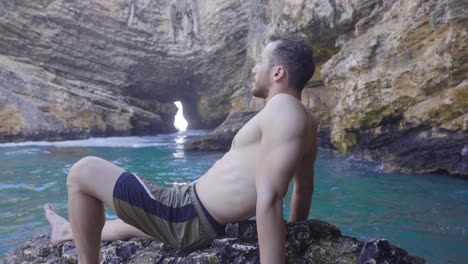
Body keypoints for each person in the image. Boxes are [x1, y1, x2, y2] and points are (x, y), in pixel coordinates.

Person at [44, 33, 317, 264]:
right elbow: (303, 189)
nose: (254, 69)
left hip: (186, 215)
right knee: (128, 225)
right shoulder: (306, 120)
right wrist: (295, 231)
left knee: (82, 171)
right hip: (192, 212)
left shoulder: (283, 109)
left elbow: (270, 196)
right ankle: (65, 230)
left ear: (278, 72)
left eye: (260, 62)